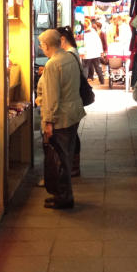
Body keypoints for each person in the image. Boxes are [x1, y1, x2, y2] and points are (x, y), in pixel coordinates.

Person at [35, 29, 85, 209]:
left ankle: (63, 197)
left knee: (60, 159)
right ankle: (63, 194)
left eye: (41, 44)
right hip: (73, 113)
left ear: (47, 45)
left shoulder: (53, 64)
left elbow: (51, 97)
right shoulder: (70, 58)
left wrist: (49, 122)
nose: (41, 47)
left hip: (61, 118)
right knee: (65, 156)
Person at [57, 26, 83, 177]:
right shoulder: (72, 52)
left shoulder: (69, 54)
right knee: (73, 135)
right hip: (74, 100)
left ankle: (71, 167)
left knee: (70, 136)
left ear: (62, 39)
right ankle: (73, 167)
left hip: (70, 101)